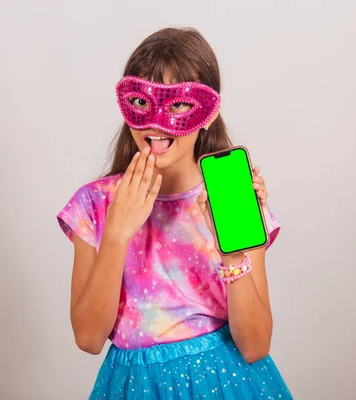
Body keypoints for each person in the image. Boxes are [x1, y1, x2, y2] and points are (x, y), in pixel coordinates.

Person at [56, 27, 292, 399]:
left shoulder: (232, 198)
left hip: (225, 384)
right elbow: (88, 338)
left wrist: (231, 253)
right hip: (136, 388)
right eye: (142, 103)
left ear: (208, 112)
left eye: (180, 104)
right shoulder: (95, 204)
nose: (158, 123)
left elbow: (255, 345)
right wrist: (117, 233)